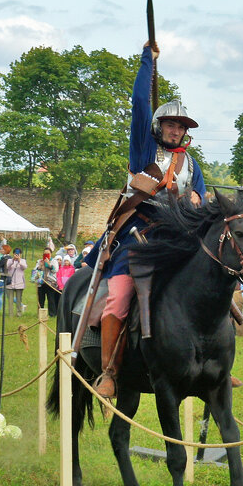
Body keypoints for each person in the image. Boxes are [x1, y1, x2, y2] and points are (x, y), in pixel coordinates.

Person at [84, 40, 207, 398]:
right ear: (159, 125)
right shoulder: (143, 149)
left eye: (181, 126)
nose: (175, 130)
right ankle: (109, 371)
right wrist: (146, 62)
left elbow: (198, 208)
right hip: (138, 239)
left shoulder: (192, 166)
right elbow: (139, 103)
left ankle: (211, 363)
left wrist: (197, 204)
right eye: (170, 123)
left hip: (177, 242)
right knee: (120, 296)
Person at [5, 247, 28, 316]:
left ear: (20, 254)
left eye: (18, 254)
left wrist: (19, 261)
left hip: (19, 283)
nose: (17, 255)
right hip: (10, 283)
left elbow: (24, 267)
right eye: (15, 254)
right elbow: (7, 267)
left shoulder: (23, 261)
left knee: (18, 300)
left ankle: (19, 313)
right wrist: (13, 260)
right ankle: (10, 314)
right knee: (10, 300)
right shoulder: (9, 260)